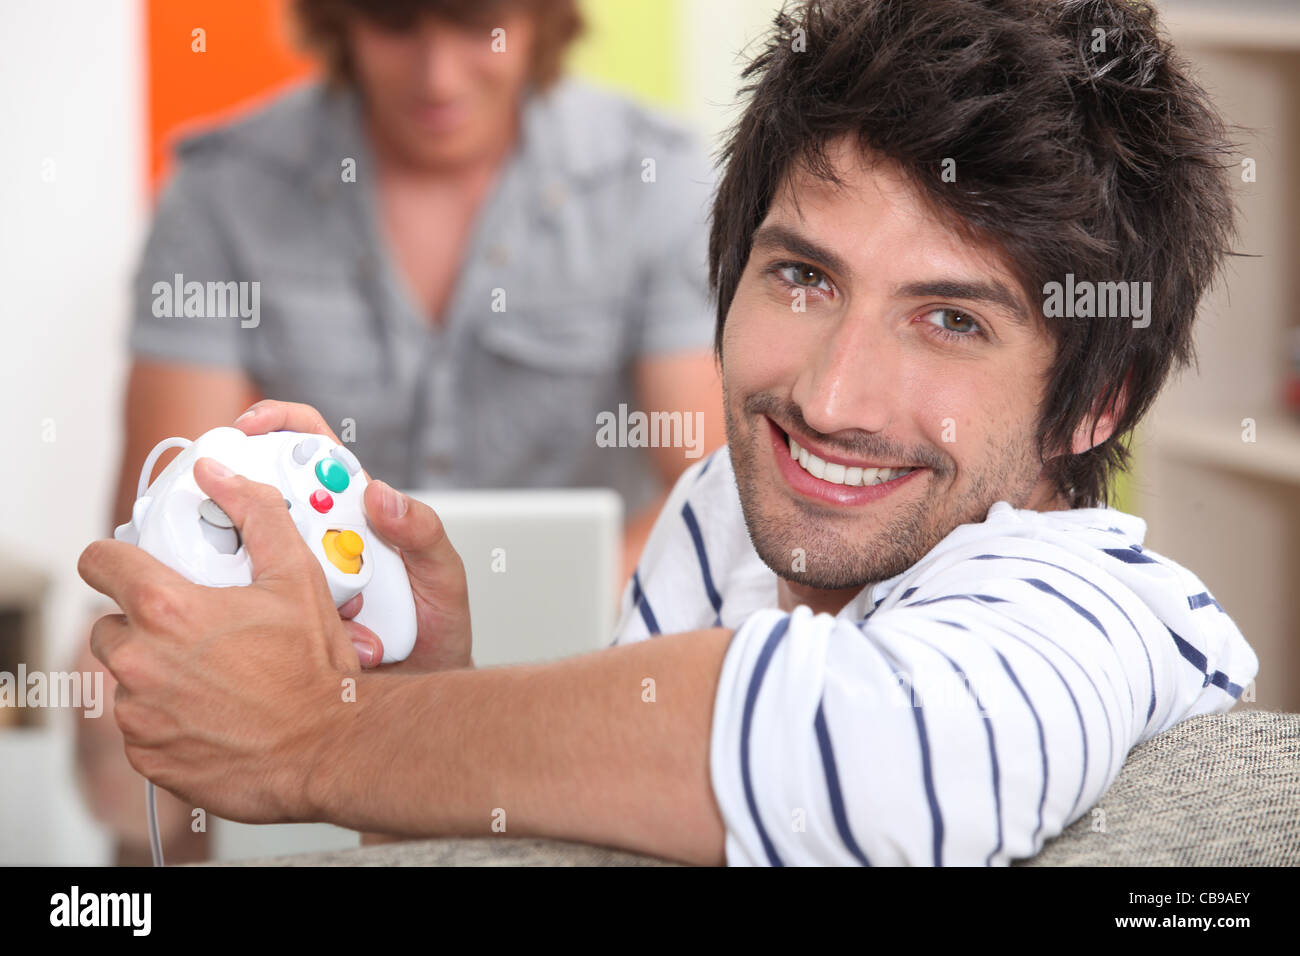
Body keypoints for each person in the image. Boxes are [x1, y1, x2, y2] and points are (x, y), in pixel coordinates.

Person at [79, 0, 1257, 866]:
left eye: (950, 319)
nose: (831, 396)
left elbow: (865, 751)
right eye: (802, 276)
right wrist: (428, 708)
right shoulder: (729, 515)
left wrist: (313, 736)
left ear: (1101, 399)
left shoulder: (1094, 603)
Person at [80, 0, 722, 865]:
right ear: (337, 22)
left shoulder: (655, 175)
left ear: (539, 19)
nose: (437, 77)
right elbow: (165, 522)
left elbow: (709, 489)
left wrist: (500, 613)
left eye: (474, 26)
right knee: (111, 677)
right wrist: (308, 623)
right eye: (394, 26)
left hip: (592, 615)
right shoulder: (222, 187)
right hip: (305, 615)